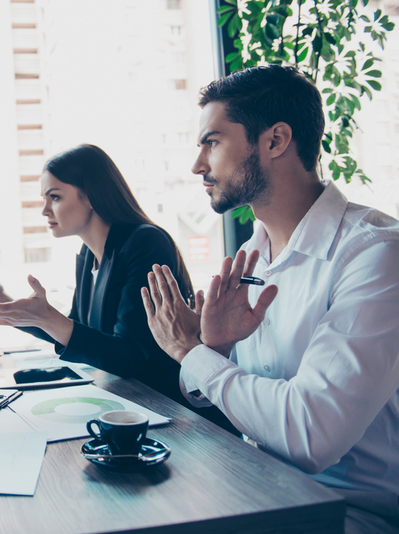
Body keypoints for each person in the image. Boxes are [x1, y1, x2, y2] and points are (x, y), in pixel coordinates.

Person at [141, 65, 399, 533]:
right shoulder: (250, 257)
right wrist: (215, 351)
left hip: (347, 514)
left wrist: (192, 352)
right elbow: (230, 397)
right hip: (260, 489)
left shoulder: (377, 254)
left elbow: (311, 435)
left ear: (276, 141)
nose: (198, 165)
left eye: (212, 142)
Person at [0, 144, 237, 434]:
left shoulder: (145, 243)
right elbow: (78, 332)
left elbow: (130, 357)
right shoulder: (89, 254)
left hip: (172, 416)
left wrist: (45, 317)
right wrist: (14, 309)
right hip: (127, 407)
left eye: (55, 197)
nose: (44, 210)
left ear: (89, 195)